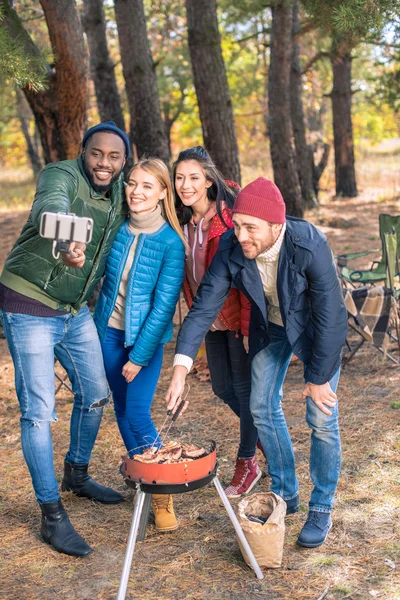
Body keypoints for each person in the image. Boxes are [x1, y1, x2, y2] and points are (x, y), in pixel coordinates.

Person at [166, 177, 348, 548]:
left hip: (315, 331)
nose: (241, 234)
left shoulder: (309, 244)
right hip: (273, 329)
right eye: (237, 225)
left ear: (276, 226)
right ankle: (284, 495)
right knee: (261, 406)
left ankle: (322, 506)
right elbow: (203, 307)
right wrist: (181, 368)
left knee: (321, 417)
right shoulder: (234, 245)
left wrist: (316, 378)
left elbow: (333, 316)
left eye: (251, 227)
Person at [0, 121, 131, 557]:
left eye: (114, 156)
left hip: (74, 311)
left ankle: (76, 474)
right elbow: (50, 208)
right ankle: (51, 515)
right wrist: (65, 240)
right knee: (38, 413)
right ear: (83, 151)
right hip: (29, 304)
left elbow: (159, 195)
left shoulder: (120, 192)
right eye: (97, 154)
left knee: (95, 395)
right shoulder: (60, 174)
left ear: (123, 160)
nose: (104, 163)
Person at [94, 158, 186, 533]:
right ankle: (143, 480)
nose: (136, 191)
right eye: (132, 183)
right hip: (107, 335)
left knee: (138, 414)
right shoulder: (117, 229)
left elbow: (164, 307)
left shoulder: (170, 243)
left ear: (163, 192)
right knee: (120, 408)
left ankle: (162, 495)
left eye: (147, 185)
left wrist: (140, 355)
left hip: (142, 342)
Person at [173, 146, 262, 497]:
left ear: (208, 180)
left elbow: (246, 279)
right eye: (180, 177)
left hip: (236, 318)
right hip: (208, 318)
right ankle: (264, 436)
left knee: (245, 391)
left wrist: (245, 326)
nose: (185, 184)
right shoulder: (182, 221)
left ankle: (247, 462)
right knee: (222, 388)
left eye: (194, 177)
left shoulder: (227, 220)